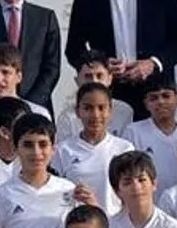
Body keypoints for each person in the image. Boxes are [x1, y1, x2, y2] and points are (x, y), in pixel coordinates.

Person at [54, 82, 135, 216]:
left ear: (110, 111)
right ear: (77, 112)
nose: (95, 115)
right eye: (88, 108)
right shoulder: (63, 150)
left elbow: (131, 195)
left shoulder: (124, 148)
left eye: (101, 108)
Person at [123, 76, 177, 190]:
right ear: (146, 103)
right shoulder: (133, 132)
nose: (160, 102)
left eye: (166, 96)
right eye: (154, 98)